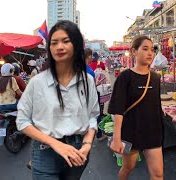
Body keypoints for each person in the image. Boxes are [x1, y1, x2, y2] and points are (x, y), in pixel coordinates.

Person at [16, 20, 99, 179]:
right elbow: (22, 120)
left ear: (76, 44)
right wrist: (56, 144)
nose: (59, 46)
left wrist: (87, 144)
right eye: (54, 43)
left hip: (78, 151)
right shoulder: (37, 82)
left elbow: (93, 116)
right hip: (45, 152)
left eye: (66, 41)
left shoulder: (88, 80)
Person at [108, 35, 163, 180]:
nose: (150, 53)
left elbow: (156, 107)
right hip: (131, 132)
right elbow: (118, 110)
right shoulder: (125, 77)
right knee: (128, 167)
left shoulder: (156, 78)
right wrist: (116, 138)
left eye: (152, 50)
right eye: (145, 49)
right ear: (134, 52)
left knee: (158, 174)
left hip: (152, 133)